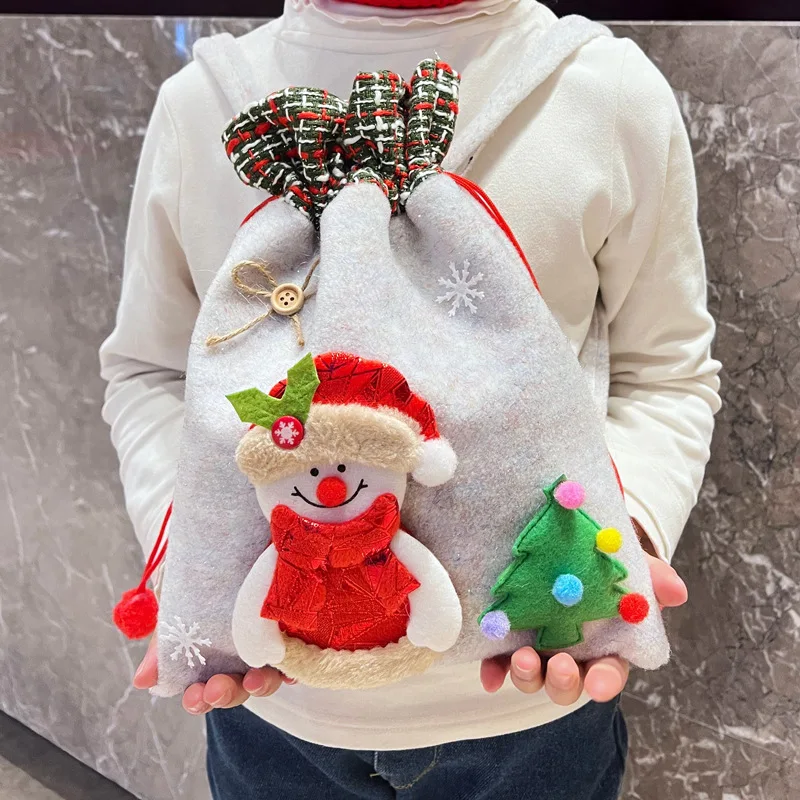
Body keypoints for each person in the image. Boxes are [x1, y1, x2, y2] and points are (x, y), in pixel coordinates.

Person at [100, 0, 721, 796]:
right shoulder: (201, 107)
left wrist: (619, 533)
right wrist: (184, 556)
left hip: (530, 718)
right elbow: (150, 371)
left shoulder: (604, 92)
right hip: (272, 720)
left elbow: (666, 368)